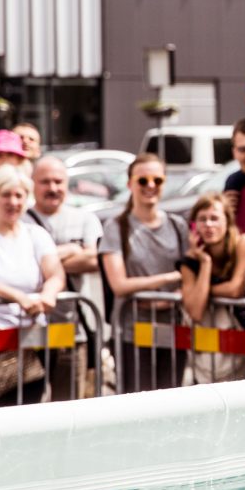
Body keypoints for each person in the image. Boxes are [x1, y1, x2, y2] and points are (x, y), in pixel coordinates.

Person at [0, 165, 65, 409]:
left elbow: (55, 272)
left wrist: (48, 293)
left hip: (29, 341)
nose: (13, 202)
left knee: (28, 412)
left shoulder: (36, 234)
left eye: (19, 195)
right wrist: (20, 297)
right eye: (6, 195)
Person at [100, 153, 189, 392]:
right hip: (132, 331)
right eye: (143, 180)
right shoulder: (116, 227)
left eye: (157, 180)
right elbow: (119, 284)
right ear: (130, 184)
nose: (150, 186)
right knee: (136, 400)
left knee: (171, 399)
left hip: (172, 328)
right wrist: (169, 279)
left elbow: (190, 274)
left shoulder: (177, 226)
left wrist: (173, 296)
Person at [25, 156, 104, 400]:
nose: (53, 188)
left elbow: (93, 261)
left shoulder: (85, 219)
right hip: (26, 334)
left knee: (69, 409)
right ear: (33, 184)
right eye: (45, 181)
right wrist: (71, 250)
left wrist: (42, 261)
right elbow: (20, 266)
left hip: (73, 331)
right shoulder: (20, 220)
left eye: (58, 181)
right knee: (24, 410)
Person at [179, 192, 245, 383]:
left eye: (214, 218)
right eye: (202, 219)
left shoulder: (243, 243)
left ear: (227, 221)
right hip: (209, 355)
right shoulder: (191, 260)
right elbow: (196, 310)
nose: (208, 225)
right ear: (194, 226)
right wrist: (205, 263)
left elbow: (235, 289)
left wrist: (202, 292)